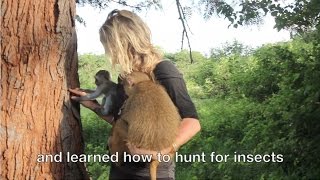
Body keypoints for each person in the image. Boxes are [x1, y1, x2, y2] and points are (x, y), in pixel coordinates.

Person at [69, 9, 201, 180]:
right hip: (121, 167)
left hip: (150, 172)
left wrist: (164, 151)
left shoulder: (163, 70)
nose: (108, 51)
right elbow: (122, 122)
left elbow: (192, 122)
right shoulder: (126, 76)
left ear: (123, 43)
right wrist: (93, 105)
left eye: (109, 45)